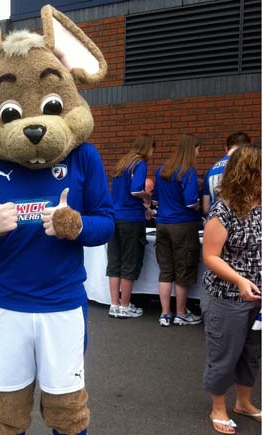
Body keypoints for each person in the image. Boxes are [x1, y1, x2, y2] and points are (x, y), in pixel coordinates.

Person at [201, 143, 261, 434]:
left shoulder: (260, 203)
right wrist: (239, 280)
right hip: (227, 297)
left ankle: (244, 403)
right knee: (224, 354)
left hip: (257, 298)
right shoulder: (223, 210)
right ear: (248, 173)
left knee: (252, 353)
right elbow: (210, 256)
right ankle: (219, 406)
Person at [152, 134, 202, 327]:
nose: (198, 153)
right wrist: (198, 206)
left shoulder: (161, 170)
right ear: (192, 149)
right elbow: (190, 201)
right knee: (183, 271)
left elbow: (155, 199)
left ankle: (165, 314)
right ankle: (181, 313)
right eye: (198, 149)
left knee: (165, 271)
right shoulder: (188, 171)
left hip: (162, 224)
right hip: (183, 225)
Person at [107, 134, 155, 319]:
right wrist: (148, 197)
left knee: (115, 263)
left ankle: (114, 305)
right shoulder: (140, 164)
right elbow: (135, 191)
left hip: (115, 217)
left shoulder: (122, 164)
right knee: (129, 262)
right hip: (131, 220)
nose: (152, 153)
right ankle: (125, 306)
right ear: (147, 148)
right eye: (152, 149)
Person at [203, 132, 250, 214]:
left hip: (215, 220)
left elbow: (206, 207)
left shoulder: (211, 170)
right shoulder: (246, 167)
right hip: (239, 221)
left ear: (226, 148)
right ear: (247, 149)